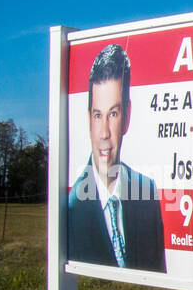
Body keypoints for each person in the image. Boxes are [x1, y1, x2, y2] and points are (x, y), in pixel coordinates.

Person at [68, 44, 167, 272]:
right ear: (88, 119)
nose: (104, 133)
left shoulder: (147, 192)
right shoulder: (71, 209)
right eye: (97, 115)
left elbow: (157, 278)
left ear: (127, 116)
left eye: (113, 113)